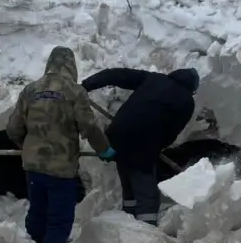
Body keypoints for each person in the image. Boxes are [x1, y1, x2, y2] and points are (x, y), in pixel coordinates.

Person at [6, 46, 115, 243]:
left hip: (33, 165)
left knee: (38, 208)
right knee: (59, 216)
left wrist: (28, 145)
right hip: (61, 167)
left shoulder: (30, 89)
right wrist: (104, 149)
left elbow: (13, 127)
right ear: (70, 66)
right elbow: (89, 126)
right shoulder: (74, 91)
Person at [81, 66, 200, 225]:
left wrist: (86, 85)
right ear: (192, 89)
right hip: (143, 144)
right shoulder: (186, 101)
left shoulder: (154, 79)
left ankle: (126, 224)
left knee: (129, 185)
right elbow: (172, 131)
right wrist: (157, 147)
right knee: (147, 194)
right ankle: (145, 232)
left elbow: (117, 75)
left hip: (117, 136)